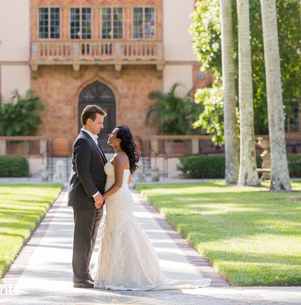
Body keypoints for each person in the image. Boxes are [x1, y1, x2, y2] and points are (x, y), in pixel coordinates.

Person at [93, 125, 211, 291]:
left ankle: (125, 274)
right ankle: (119, 272)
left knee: (121, 232)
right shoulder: (119, 156)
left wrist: (102, 197)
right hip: (117, 200)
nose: (109, 134)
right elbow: (126, 181)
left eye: (113, 133)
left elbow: (120, 183)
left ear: (118, 140)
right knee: (118, 231)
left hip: (118, 200)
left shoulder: (120, 157)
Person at [67, 104, 107, 289]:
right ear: (89, 121)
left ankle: (85, 274)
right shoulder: (82, 141)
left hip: (95, 200)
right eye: (99, 122)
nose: (102, 126)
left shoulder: (93, 140)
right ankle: (79, 278)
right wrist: (95, 194)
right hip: (85, 198)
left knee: (90, 238)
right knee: (82, 238)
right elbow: (83, 172)